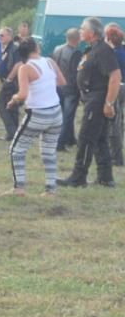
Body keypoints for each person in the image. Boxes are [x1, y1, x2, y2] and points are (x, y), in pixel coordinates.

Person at [58, 17, 122, 188]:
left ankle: (78, 177)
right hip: (91, 99)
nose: (80, 31)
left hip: (98, 100)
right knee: (100, 139)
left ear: (92, 33)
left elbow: (115, 76)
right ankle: (105, 178)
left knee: (86, 138)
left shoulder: (103, 50)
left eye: (82, 28)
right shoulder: (91, 49)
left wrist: (109, 103)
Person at [4, 38, 66, 196]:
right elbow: (61, 81)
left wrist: (13, 99)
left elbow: (23, 94)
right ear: (37, 48)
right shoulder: (50, 62)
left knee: (16, 150)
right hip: (56, 112)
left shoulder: (25, 68)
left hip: (38, 113)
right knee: (49, 152)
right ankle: (51, 190)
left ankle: (19, 188)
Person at [53, 28, 82, 152]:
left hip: (58, 86)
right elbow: (77, 73)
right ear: (78, 39)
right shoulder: (76, 53)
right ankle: (60, 144)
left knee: (63, 116)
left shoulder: (57, 49)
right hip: (71, 88)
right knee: (67, 117)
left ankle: (70, 139)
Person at [104, 23, 125, 166]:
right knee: (119, 119)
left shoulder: (112, 54)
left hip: (117, 87)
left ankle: (116, 156)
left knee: (113, 122)